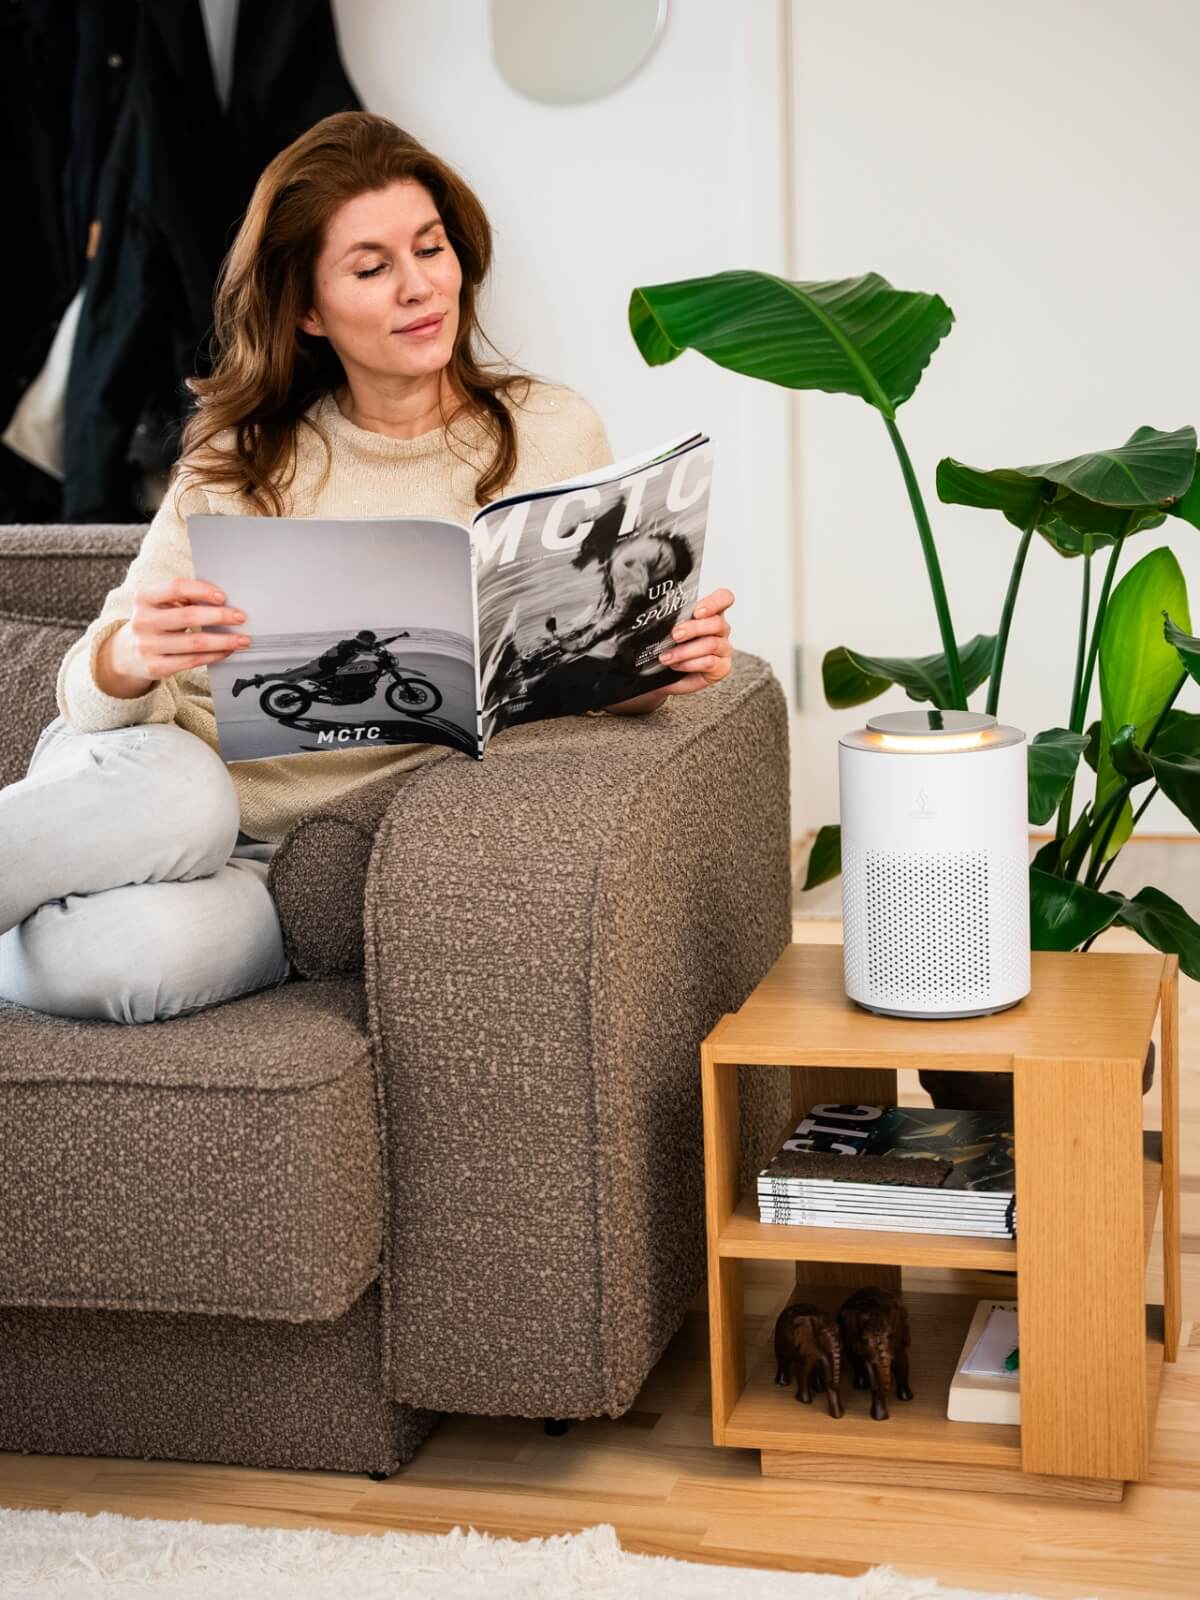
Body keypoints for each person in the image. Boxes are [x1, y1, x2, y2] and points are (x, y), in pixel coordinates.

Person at [0, 111, 734, 1025]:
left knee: (106, 962)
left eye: (430, 249)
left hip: (277, 872)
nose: (419, 287)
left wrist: (651, 663)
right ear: (308, 310)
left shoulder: (554, 432)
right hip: (154, 776)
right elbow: (88, 690)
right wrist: (128, 658)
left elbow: (566, 682)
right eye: (371, 267)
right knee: (192, 800)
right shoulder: (242, 456)